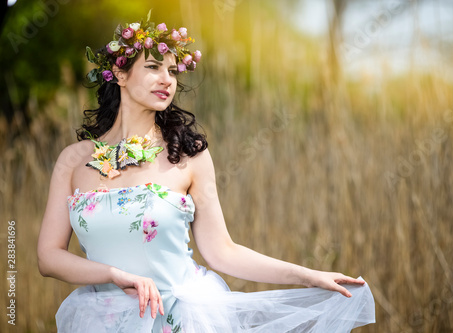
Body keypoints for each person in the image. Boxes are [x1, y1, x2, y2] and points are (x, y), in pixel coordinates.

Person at [37, 14, 375, 332]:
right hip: (103, 320)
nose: (166, 80)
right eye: (153, 67)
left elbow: (221, 251)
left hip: (183, 317)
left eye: (173, 71)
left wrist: (309, 276)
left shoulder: (187, 156)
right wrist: (114, 275)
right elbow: (49, 257)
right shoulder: (73, 160)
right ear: (120, 74)